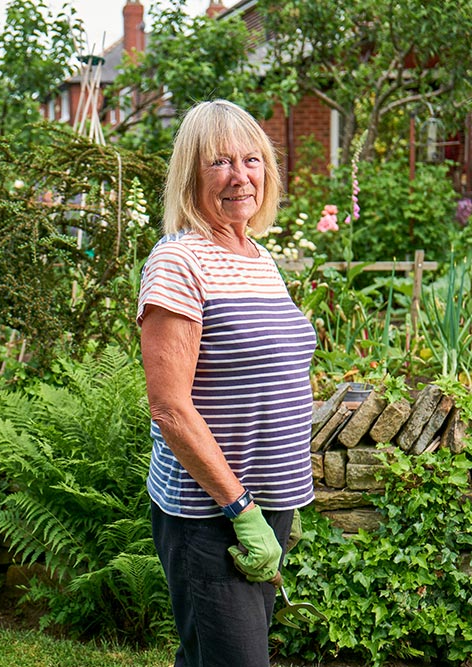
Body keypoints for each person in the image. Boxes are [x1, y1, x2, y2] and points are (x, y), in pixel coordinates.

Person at [136, 99, 316, 666]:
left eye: (252, 160)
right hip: (213, 512)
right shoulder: (177, 261)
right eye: (219, 163)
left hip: (268, 505)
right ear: (191, 176)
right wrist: (240, 508)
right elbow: (168, 407)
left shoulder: (258, 256)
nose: (241, 176)